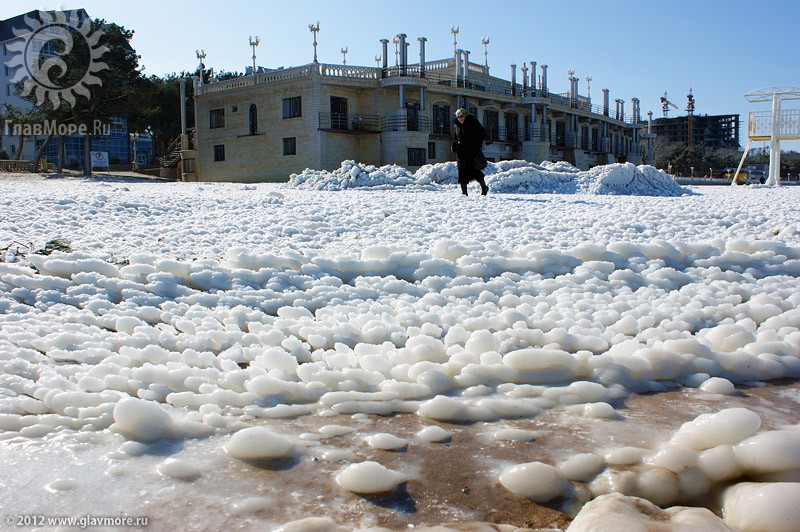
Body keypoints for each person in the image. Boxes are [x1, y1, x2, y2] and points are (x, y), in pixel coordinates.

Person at [451, 108, 489, 196]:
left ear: (465, 115)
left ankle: (484, 187)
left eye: (461, 116)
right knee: (461, 171)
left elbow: (482, 133)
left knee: (474, 170)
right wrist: (454, 145)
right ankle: (464, 192)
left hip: (471, 151)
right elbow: (456, 137)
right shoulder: (457, 125)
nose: (460, 118)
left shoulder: (472, 122)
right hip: (461, 152)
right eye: (458, 117)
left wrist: (476, 145)